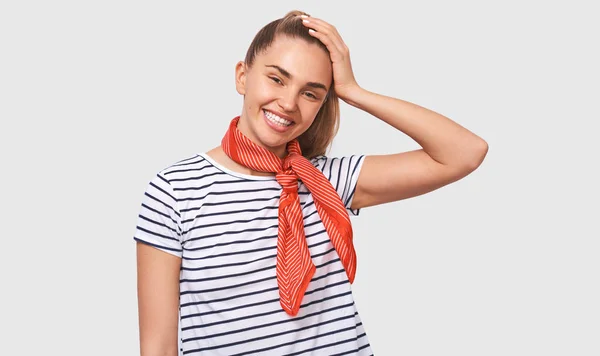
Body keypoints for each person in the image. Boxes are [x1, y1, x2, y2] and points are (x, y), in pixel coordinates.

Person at [133, 10, 488, 356]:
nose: (288, 103)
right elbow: (159, 347)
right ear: (243, 76)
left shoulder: (328, 180)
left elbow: (465, 152)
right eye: (277, 78)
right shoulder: (176, 191)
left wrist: (353, 91)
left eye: (311, 93)